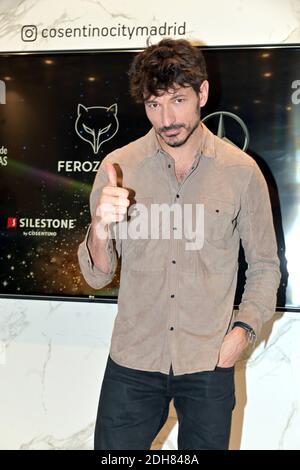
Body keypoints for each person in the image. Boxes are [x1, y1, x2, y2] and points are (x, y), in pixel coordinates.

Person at [78, 38, 281, 450]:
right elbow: (97, 275)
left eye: (177, 100)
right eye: (154, 104)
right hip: (133, 362)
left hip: (208, 363)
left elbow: (264, 265)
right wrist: (100, 224)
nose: (166, 118)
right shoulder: (119, 167)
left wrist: (242, 333)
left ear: (202, 93)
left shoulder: (241, 172)